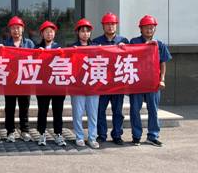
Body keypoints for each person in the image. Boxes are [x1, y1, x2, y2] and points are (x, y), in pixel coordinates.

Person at [129, 15, 172, 147]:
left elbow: (163, 63)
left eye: (151, 28)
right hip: (137, 81)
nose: (149, 30)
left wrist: (162, 79)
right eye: (146, 27)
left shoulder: (159, 44)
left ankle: (153, 136)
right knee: (135, 109)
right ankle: (136, 136)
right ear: (141, 29)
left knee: (153, 109)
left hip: (153, 82)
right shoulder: (134, 42)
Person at [93, 12, 129, 145]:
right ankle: (102, 134)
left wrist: (125, 49)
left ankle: (117, 135)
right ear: (103, 26)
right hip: (102, 82)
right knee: (100, 110)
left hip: (118, 82)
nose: (110, 26)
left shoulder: (123, 41)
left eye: (113, 24)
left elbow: (130, 59)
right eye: (107, 24)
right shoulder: (96, 42)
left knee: (118, 111)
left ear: (116, 25)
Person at [3, 16, 35, 143]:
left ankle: (24, 131)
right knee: (9, 107)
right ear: (10, 30)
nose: (16, 30)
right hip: (10, 81)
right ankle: (10, 131)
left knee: (24, 107)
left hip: (24, 80)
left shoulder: (29, 44)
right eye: (13, 28)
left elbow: (35, 60)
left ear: (22, 29)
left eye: (18, 28)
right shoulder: (5, 44)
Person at [70, 19, 100, 149]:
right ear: (77, 32)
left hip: (93, 85)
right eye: (82, 31)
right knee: (78, 113)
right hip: (77, 86)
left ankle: (92, 138)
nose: (85, 33)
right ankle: (79, 137)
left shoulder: (96, 47)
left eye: (88, 31)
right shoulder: (72, 47)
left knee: (93, 114)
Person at [35, 20, 66, 147]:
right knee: (42, 110)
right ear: (42, 34)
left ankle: (58, 134)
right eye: (46, 32)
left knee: (58, 110)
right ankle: (42, 134)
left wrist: (62, 54)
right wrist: (37, 54)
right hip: (42, 85)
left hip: (57, 84)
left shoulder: (60, 48)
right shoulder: (37, 48)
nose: (49, 34)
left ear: (54, 34)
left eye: (51, 32)